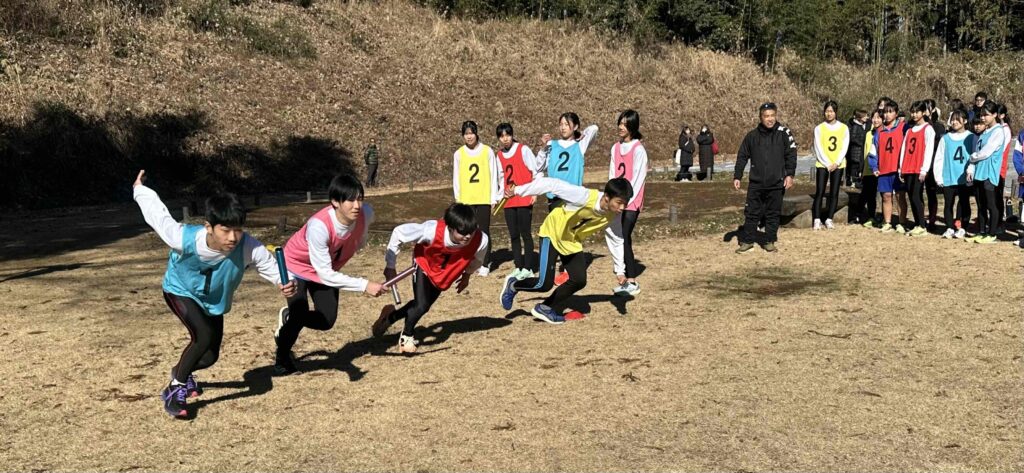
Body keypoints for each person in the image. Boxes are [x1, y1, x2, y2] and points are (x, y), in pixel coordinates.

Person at [132, 170, 296, 419]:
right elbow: (158, 215)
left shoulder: (248, 246)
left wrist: (286, 283)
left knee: (209, 356)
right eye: (225, 230)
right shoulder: (182, 238)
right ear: (209, 227)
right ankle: (175, 389)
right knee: (203, 336)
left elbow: (271, 267)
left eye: (238, 230)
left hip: (213, 302)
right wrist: (140, 190)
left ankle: (181, 372)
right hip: (179, 290)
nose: (232, 238)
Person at [273, 174, 386, 375]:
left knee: (326, 320)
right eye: (350, 200)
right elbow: (325, 275)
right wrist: (364, 285)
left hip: (325, 267)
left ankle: (288, 317)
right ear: (335, 201)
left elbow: (359, 239)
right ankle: (282, 359)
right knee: (299, 313)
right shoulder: (319, 226)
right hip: (296, 266)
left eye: (360, 199)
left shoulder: (366, 213)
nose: (357, 206)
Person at [498, 177, 632, 323]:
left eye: (625, 204)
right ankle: (513, 285)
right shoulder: (584, 196)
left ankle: (545, 308)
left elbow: (616, 239)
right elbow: (551, 184)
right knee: (544, 284)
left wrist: (620, 271)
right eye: (619, 202)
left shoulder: (614, 215)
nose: (622, 208)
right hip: (553, 233)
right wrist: (517, 190)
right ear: (607, 197)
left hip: (570, 240)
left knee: (579, 280)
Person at [372, 204, 488, 352]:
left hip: (443, 273)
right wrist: (390, 265)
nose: (468, 236)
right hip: (424, 263)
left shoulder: (480, 240)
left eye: (471, 232)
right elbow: (398, 233)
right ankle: (406, 336)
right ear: (450, 227)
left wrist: (466, 276)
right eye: (462, 232)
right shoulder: (431, 230)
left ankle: (389, 317)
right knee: (422, 305)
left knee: (421, 305)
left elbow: (477, 260)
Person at [733, 102, 797, 253]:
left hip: (776, 182)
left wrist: (789, 175)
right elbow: (742, 156)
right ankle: (748, 241)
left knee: (773, 213)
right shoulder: (752, 136)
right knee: (751, 213)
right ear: (760, 117)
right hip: (756, 183)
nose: (770, 119)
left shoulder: (784, 133)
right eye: (766, 116)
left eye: (772, 115)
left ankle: (769, 241)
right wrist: (737, 175)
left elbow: (791, 155)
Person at [453, 120, 502, 276]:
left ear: (476, 133)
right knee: (466, 232)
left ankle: (485, 263)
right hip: (466, 199)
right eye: (466, 134)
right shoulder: (459, 153)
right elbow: (456, 177)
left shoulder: (487, 151)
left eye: (471, 133)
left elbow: (493, 175)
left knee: (483, 232)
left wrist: (494, 198)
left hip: (483, 198)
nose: (469, 137)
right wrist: (458, 198)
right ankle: (467, 262)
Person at [608, 109, 647, 296]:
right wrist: (611, 196)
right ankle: (625, 277)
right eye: (620, 123)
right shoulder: (615, 148)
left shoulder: (638, 150)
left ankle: (631, 280)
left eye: (625, 124)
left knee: (624, 235)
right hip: (618, 199)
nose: (621, 127)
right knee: (620, 236)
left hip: (631, 201)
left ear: (632, 126)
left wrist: (628, 200)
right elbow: (612, 174)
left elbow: (638, 178)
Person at [495, 122, 540, 280]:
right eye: (502, 136)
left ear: (512, 135)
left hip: (524, 197)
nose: (505, 139)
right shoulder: (499, 155)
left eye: (507, 135)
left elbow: (535, 171)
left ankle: (528, 268)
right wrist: (499, 197)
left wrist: (535, 192)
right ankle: (518, 266)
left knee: (525, 233)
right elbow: (501, 178)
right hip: (509, 199)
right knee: (513, 234)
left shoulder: (523, 149)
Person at [966, 101, 1006, 244]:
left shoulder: (998, 131)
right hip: (979, 173)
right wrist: (971, 167)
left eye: (986, 115)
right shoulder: (984, 132)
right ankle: (982, 231)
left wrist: (972, 157)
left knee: (991, 204)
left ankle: (992, 233)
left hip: (989, 173)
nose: (983, 118)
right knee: (981, 204)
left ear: (995, 115)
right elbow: (977, 150)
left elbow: (986, 152)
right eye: (982, 115)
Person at [933, 110, 975, 239]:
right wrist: (938, 176)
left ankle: (963, 227)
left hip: (964, 177)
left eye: (957, 119)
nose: (954, 122)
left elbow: (974, 156)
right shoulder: (945, 138)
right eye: (952, 120)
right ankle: (950, 227)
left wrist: (971, 172)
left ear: (965, 121)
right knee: (948, 203)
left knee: (964, 203)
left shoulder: (971, 137)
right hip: (949, 176)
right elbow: (939, 157)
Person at [896, 101, 935, 236]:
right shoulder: (909, 131)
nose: (914, 115)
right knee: (911, 196)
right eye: (912, 112)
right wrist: (901, 168)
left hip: (919, 168)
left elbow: (929, 150)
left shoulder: (928, 129)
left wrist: (925, 169)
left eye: (917, 112)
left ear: (923, 112)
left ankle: (922, 225)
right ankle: (917, 223)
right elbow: (904, 149)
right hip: (908, 167)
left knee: (916, 196)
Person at [867, 101, 907, 233]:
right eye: (885, 112)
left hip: (898, 169)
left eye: (890, 112)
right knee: (886, 196)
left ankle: (902, 222)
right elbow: (873, 151)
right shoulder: (879, 131)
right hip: (884, 169)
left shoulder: (903, 127)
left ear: (896, 113)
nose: (887, 115)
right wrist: (874, 167)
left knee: (900, 197)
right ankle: (887, 222)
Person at [811, 100, 849, 230]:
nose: (829, 113)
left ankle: (829, 218)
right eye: (827, 111)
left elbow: (845, 146)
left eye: (831, 111)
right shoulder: (819, 128)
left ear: (836, 112)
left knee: (834, 192)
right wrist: (827, 163)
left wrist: (837, 162)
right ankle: (817, 219)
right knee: (820, 191)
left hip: (838, 164)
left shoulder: (844, 128)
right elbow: (818, 147)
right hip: (823, 164)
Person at [857, 110, 884, 227]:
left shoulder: (885, 132)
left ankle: (884, 217)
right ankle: (870, 216)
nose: (875, 120)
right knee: (869, 194)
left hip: (882, 169)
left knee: (884, 195)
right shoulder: (868, 134)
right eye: (874, 117)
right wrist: (861, 169)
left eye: (878, 118)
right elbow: (864, 152)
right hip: (868, 169)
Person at [924, 99, 945, 229]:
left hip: (933, 164)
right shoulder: (917, 126)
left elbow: (940, 146)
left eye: (927, 108)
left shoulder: (938, 126)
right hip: (920, 163)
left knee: (932, 193)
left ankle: (932, 219)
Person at [847, 109, 869, 188]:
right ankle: (853, 181)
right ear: (860, 117)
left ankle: (857, 181)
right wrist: (861, 143)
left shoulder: (863, 125)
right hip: (856, 151)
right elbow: (852, 138)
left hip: (861, 151)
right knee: (855, 167)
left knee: (859, 167)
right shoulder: (855, 126)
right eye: (865, 116)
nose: (867, 117)